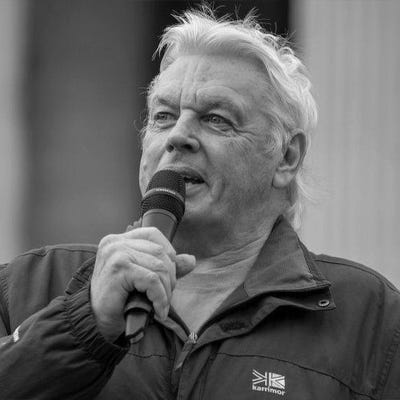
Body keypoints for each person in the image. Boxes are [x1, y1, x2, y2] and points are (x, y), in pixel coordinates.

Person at [1, 7, 399, 400]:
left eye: (216, 119)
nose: (178, 136)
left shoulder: (369, 318)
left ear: (286, 157)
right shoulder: (32, 285)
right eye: (163, 116)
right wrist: (84, 322)